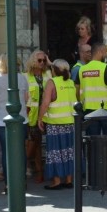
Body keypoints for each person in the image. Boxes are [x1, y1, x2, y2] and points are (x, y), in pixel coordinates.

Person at [0, 54, 29, 194]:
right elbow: (26, 97)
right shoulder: (22, 77)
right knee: (20, 150)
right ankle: (22, 181)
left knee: (7, 152)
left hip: (1, 119)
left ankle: (8, 184)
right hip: (22, 118)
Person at [38, 59, 76, 190]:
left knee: (55, 152)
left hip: (55, 124)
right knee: (69, 151)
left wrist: (40, 118)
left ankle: (57, 181)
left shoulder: (52, 82)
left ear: (54, 70)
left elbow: (45, 103)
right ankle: (69, 180)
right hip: (70, 122)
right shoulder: (71, 83)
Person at [76, 43, 107, 136]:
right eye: (105, 52)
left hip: (89, 110)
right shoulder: (106, 68)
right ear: (100, 52)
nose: (106, 54)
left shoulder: (82, 69)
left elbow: (77, 91)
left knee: (92, 141)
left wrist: (81, 107)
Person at [25, 50, 51, 183]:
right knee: (34, 143)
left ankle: (38, 171)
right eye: (39, 60)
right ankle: (30, 167)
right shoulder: (26, 76)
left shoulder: (48, 74)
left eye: (44, 60)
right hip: (32, 115)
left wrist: (50, 63)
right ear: (33, 61)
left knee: (39, 143)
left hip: (46, 113)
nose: (42, 63)